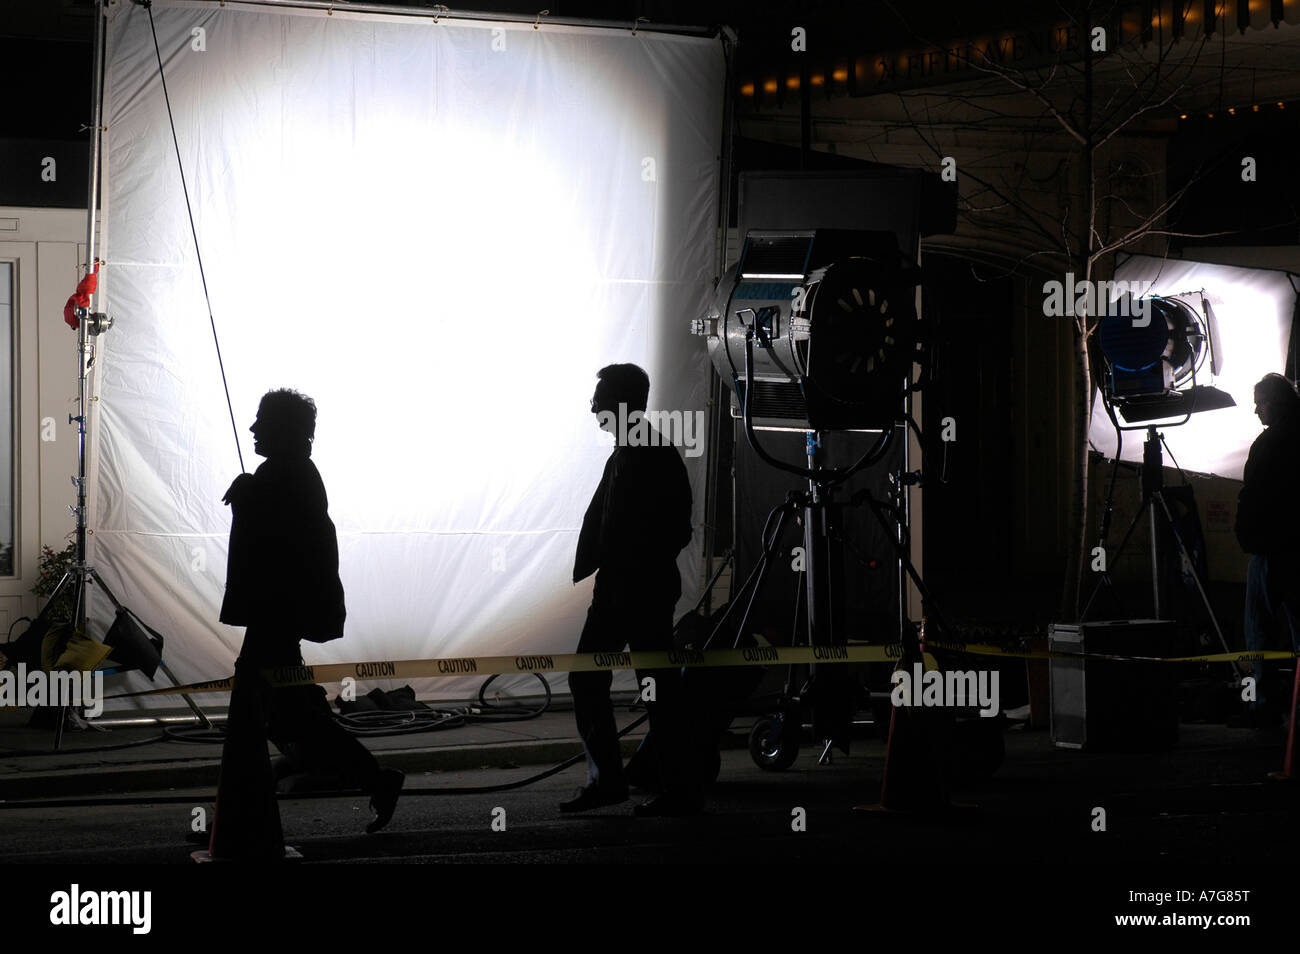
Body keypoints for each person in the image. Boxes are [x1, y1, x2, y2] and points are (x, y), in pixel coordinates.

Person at [210, 388, 403, 859]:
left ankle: (235, 821)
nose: (253, 429)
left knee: (257, 713)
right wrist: (251, 493)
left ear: (285, 429)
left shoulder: (283, 475)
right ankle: (367, 778)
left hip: (275, 615)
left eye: (262, 422)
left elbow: (276, 547)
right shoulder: (291, 473)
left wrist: (250, 495)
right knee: (286, 712)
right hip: (280, 615)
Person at [561, 363, 702, 817]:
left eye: (600, 397)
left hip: (632, 592)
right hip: (631, 590)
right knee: (654, 686)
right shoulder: (638, 450)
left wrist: (630, 567)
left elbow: (673, 528)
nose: (593, 405)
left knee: (605, 680)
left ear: (621, 403)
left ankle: (623, 782)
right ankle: (668, 785)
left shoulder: (643, 454)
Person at [1234, 373, 1300, 727]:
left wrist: (1247, 535)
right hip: (1292, 548)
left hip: (1269, 550)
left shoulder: (1269, 444)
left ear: (1278, 401)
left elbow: (1255, 494)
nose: (1256, 409)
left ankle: (1263, 705)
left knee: (1258, 629)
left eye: (1261, 401)